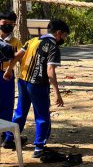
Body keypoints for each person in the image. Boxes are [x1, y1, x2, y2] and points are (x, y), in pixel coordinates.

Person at [3, 20, 69, 157]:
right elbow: (50, 71)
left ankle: (9, 138)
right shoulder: (53, 47)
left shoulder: (32, 41)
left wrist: (9, 70)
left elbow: (16, 56)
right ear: (58, 33)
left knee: (20, 112)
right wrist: (57, 93)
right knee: (42, 115)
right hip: (38, 85)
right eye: (64, 36)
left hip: (23, 81)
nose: (64, 39)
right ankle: (39, 147)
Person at [0, 11, 22, 141]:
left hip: (6, 76)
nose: (7, 25)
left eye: (11, 23)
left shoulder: (15, 42)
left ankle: (7, 136)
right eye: (5, 22)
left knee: (7, 105)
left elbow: (21, 58)